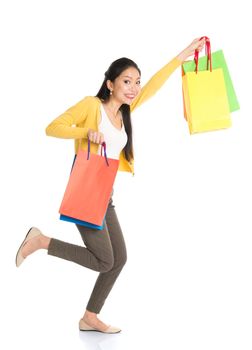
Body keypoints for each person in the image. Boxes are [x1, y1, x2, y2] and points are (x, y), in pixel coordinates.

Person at [15, 37, 205, 333]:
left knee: (120, 258)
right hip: (87, 192)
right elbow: (52, 127)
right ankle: (41, 241)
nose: (133, 88)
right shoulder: (92, 106)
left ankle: (89, 317)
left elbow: (155, 84)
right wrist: (86, 131)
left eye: (136, 82)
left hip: (105, 194)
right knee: (105, 260)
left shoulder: (125, 111)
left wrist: (182, 56)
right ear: (110, 84)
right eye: (127, 81)